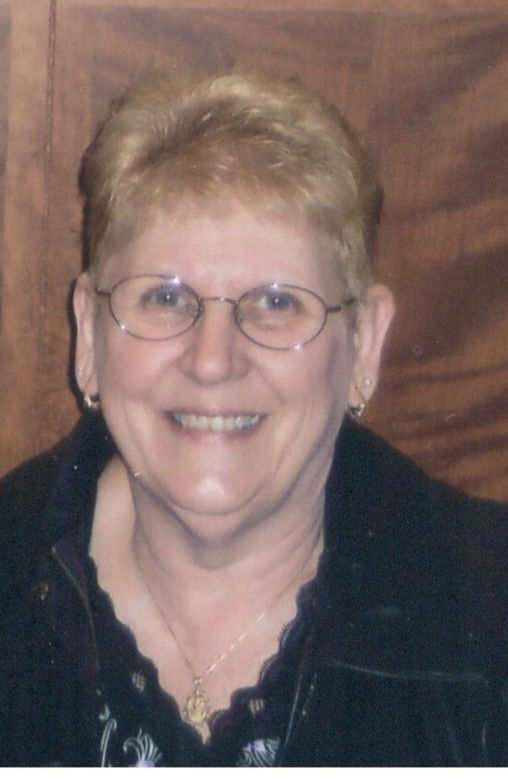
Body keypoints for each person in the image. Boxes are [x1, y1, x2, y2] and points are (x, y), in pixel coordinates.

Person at [0, 67, 506, 767]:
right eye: (166, 298)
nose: (213, 361)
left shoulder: (489, 612)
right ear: (90, 335)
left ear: (363, 343)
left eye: (276, 302)